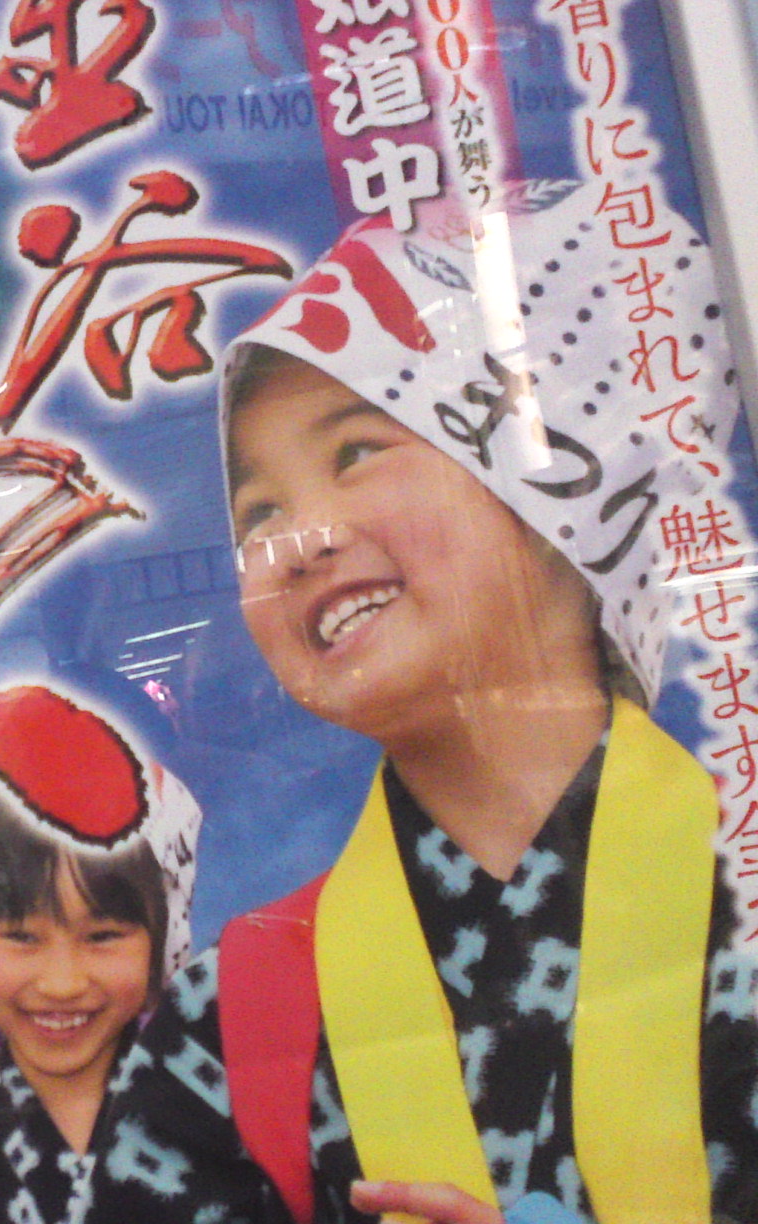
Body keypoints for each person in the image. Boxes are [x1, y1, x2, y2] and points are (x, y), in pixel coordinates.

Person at [91, 180, 758, 1223]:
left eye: (356, 452)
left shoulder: (743, 891)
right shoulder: (230, 1023)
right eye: (258, 510)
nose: (294, 543)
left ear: (555, 475)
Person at [0, 788, 170, 1224]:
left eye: (103, 936)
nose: (63, 985)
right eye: (20, 936)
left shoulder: (222, 1111)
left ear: (156, 945)